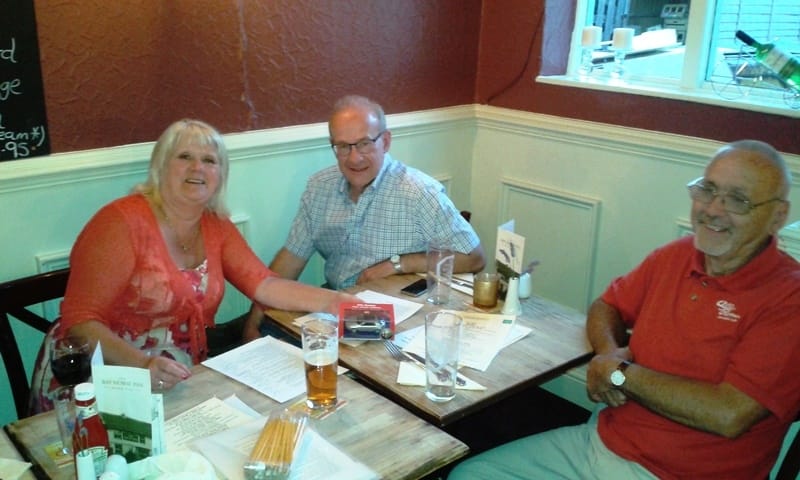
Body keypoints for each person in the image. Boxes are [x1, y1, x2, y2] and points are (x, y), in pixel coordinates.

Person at [448, 140, 800, 480]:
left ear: (777, 216)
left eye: (738, 200)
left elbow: (729, 413)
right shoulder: (676, 255)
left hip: (682, 472)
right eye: (707, 190)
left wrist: (619, 374)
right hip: (602, 441)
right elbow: (607, 306)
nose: (713, 209)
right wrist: (608, 353)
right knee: (470, 474)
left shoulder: (788, 298)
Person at [30, 119, 359, 413]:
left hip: (178, 377)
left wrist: (334, 301)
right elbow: (80, 321)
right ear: (161, 166)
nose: (197, 168)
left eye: (209, 160)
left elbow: (264, 284)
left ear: (220, 175)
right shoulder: (120, 222)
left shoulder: (215, 225)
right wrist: (142, 365)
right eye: (184, 156)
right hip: (96, 376)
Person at [243, 95, 485, 341]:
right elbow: (290, 260)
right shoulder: (319, 188)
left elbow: (474, 257)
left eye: (364, 144)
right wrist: (253, 326)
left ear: (385, 142)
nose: (354, 158)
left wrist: (398, 264)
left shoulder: (419, 192)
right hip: (335, 311)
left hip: (400, 325)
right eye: (343, 146)